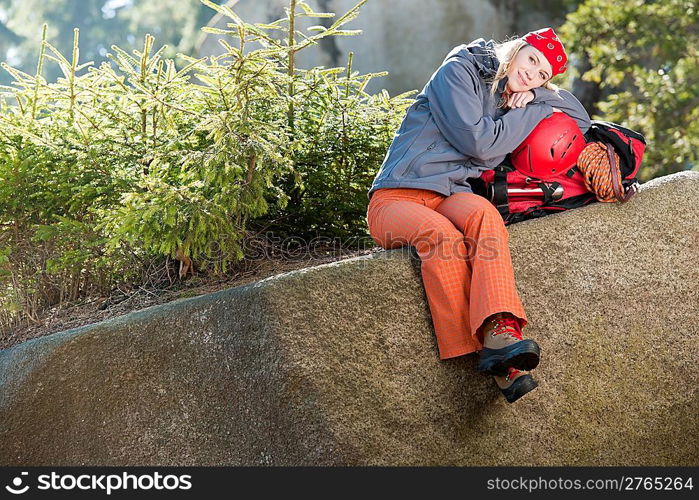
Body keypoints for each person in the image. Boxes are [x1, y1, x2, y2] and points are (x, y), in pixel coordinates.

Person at [365, 27, 591, 403]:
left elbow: (577, 119)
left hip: (448, 195)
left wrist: (534, 96)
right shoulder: (462, 69)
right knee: (442, 236)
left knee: (485, 214)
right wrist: (531, 111)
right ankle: (486, 354)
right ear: (518, 48)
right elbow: (480, 144)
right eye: (532, 60)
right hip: (395, 199)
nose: (531, 73)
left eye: (542, 74)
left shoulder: (518, 93)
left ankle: (501, 329)